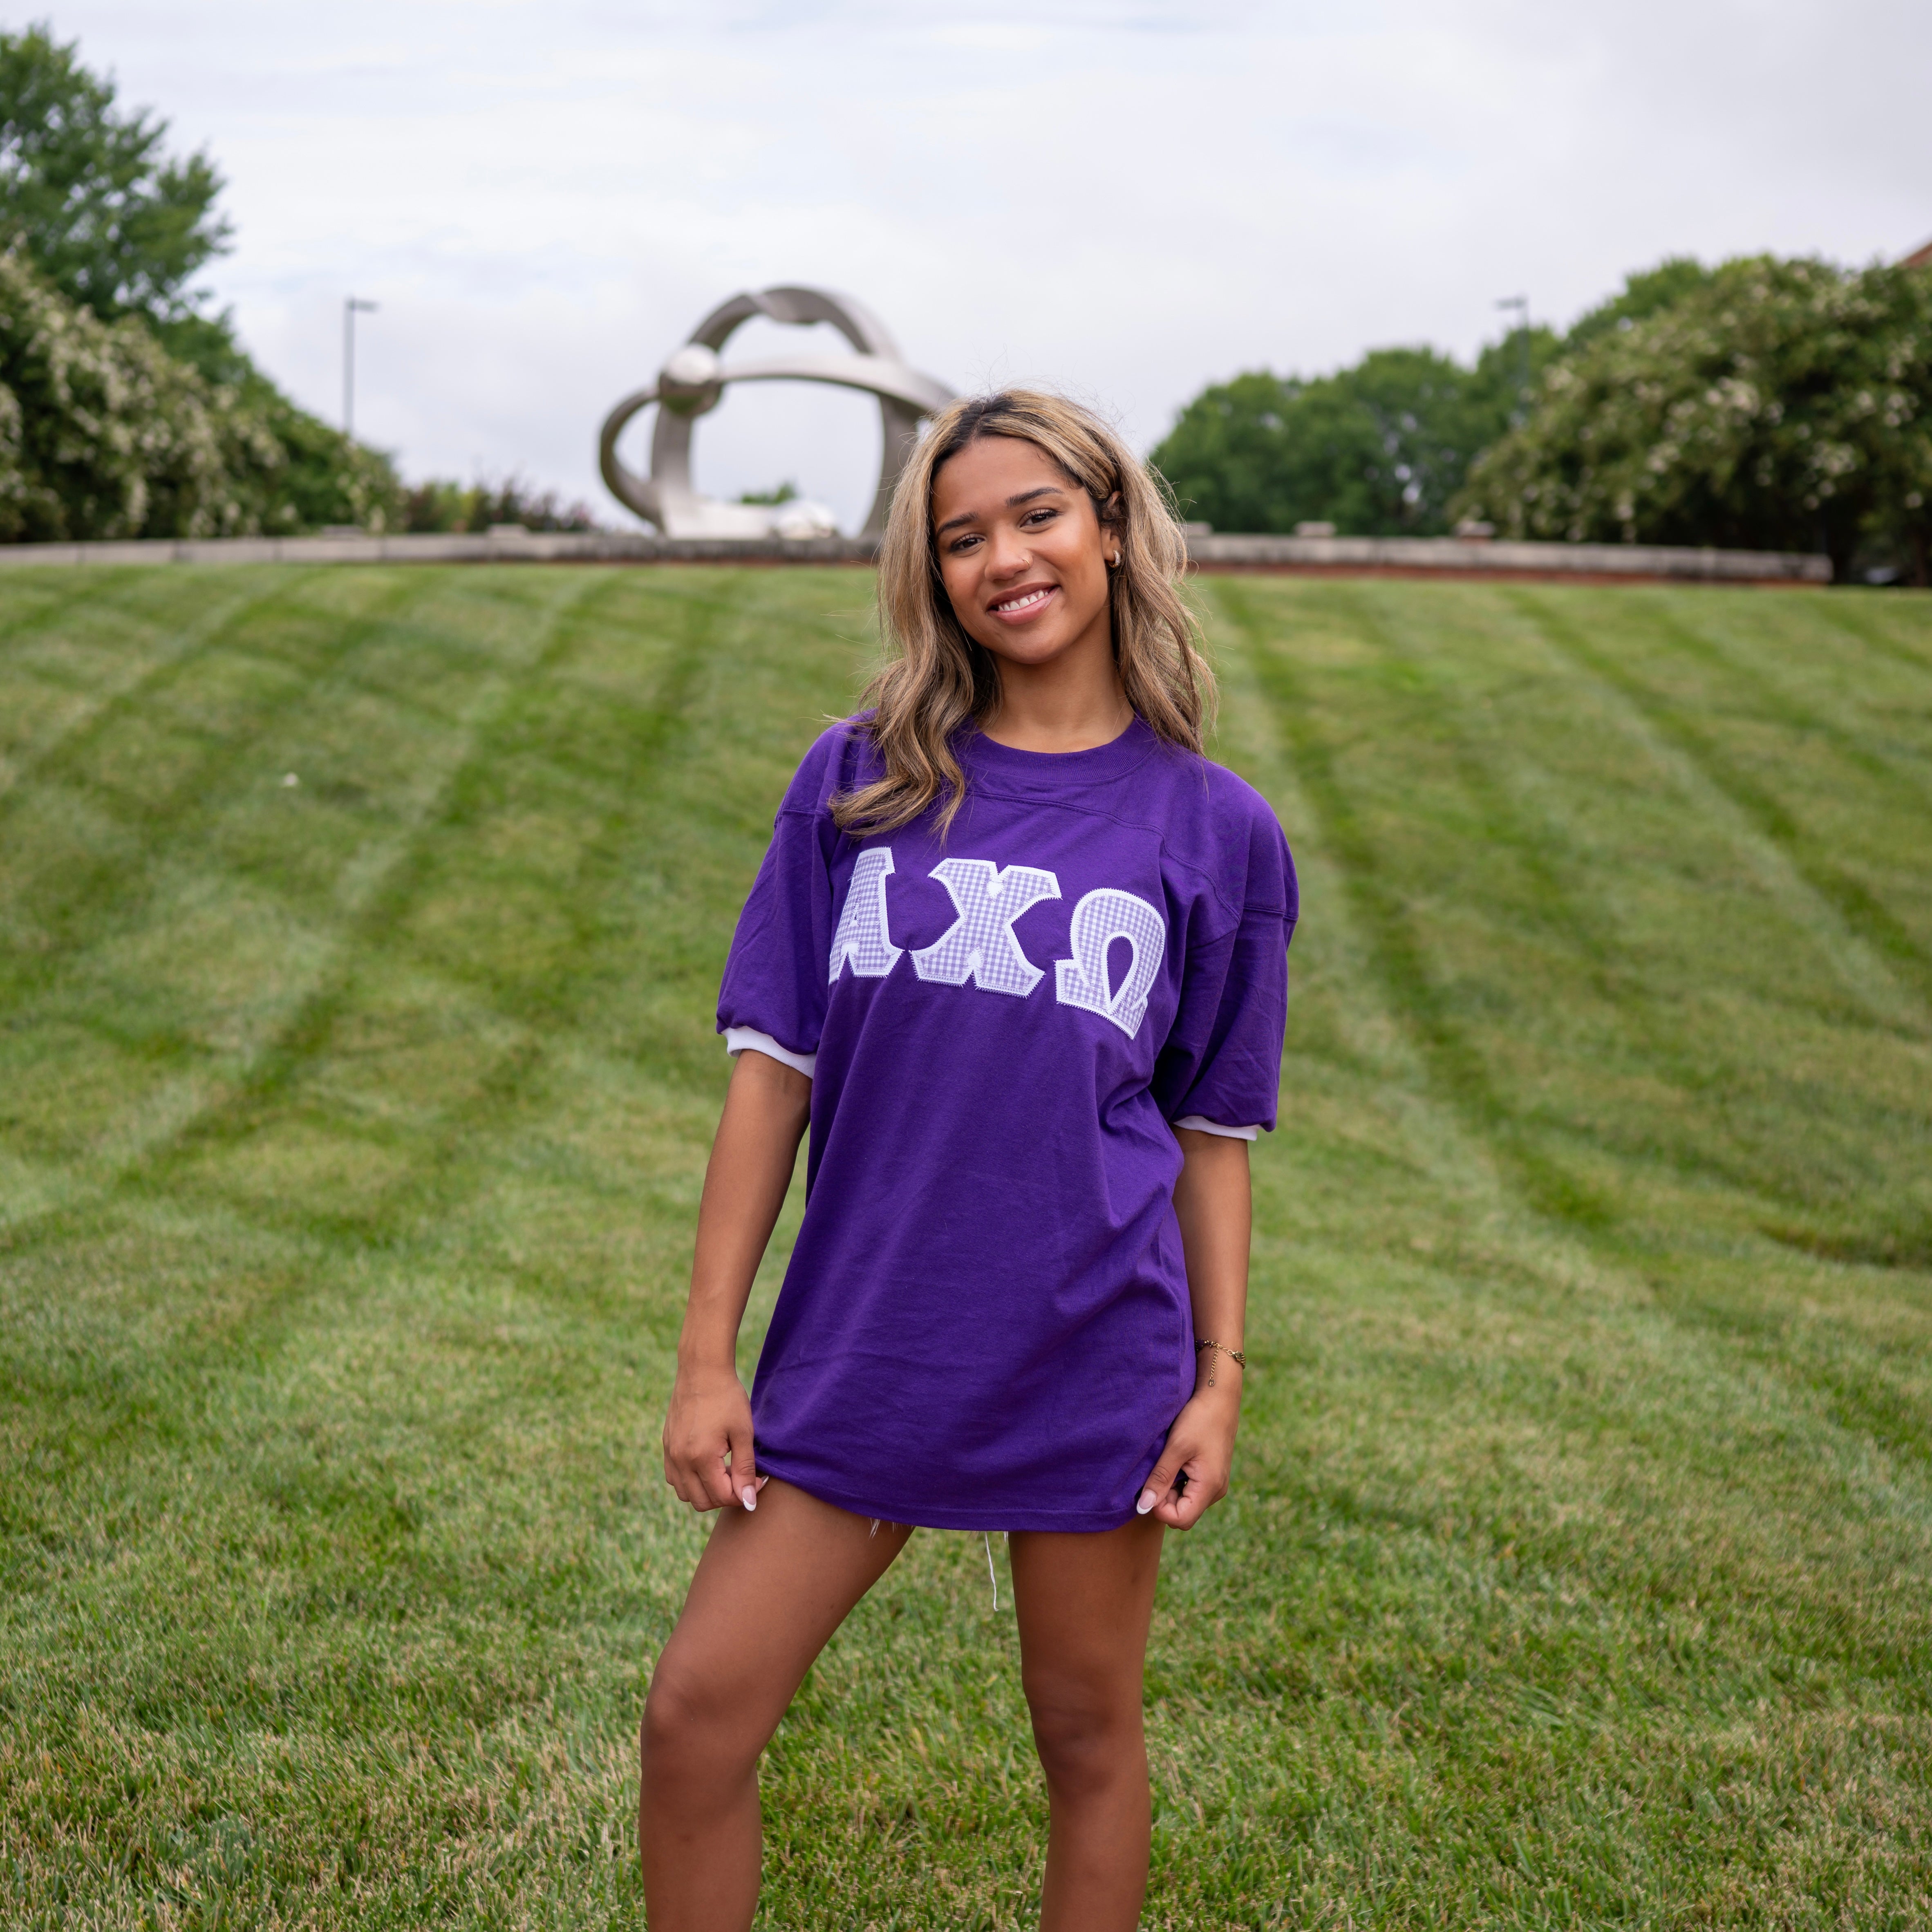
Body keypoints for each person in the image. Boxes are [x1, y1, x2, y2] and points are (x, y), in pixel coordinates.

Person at [639, 390, 1297, 1932]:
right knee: (696, 1718)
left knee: (1084, 1736)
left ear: (1115, 530)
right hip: (869, 1341)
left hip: (1090, 1357)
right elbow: (769, 1076)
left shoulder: (1220, 833)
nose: (1004, 556)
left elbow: (1211, 1136)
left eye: (1037, 515)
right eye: (961, 537)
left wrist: (1219, 1374)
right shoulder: (860, 780)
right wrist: (704, 1357)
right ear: (930, 575)